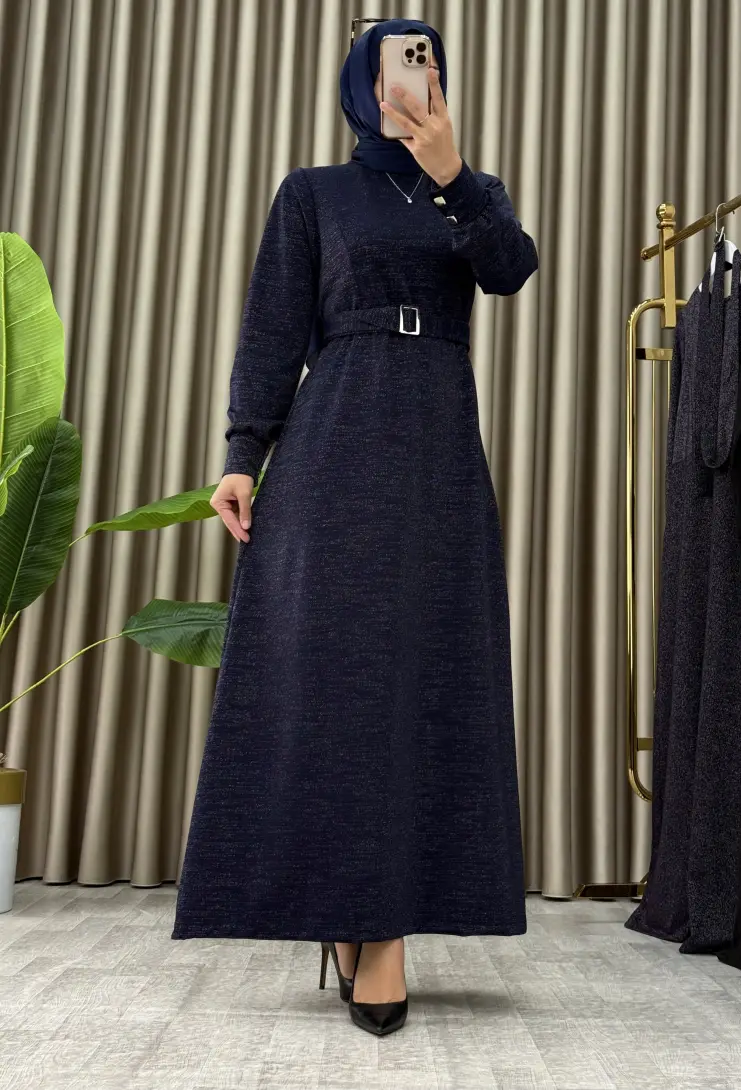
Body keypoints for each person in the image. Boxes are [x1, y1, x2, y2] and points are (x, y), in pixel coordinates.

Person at [171, 18, 538, 1038]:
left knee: (420, 676)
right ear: (362, 86)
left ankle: (372, 914)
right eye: (398, 63)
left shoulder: (473, 192)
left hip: (436, 451)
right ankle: (369, 927)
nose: (415, 79)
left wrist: (454, 174)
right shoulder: (312, 194)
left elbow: (510, 270)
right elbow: (272, 326)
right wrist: (241, 452)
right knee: (337, 681)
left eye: (429, 62)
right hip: (333, 440)